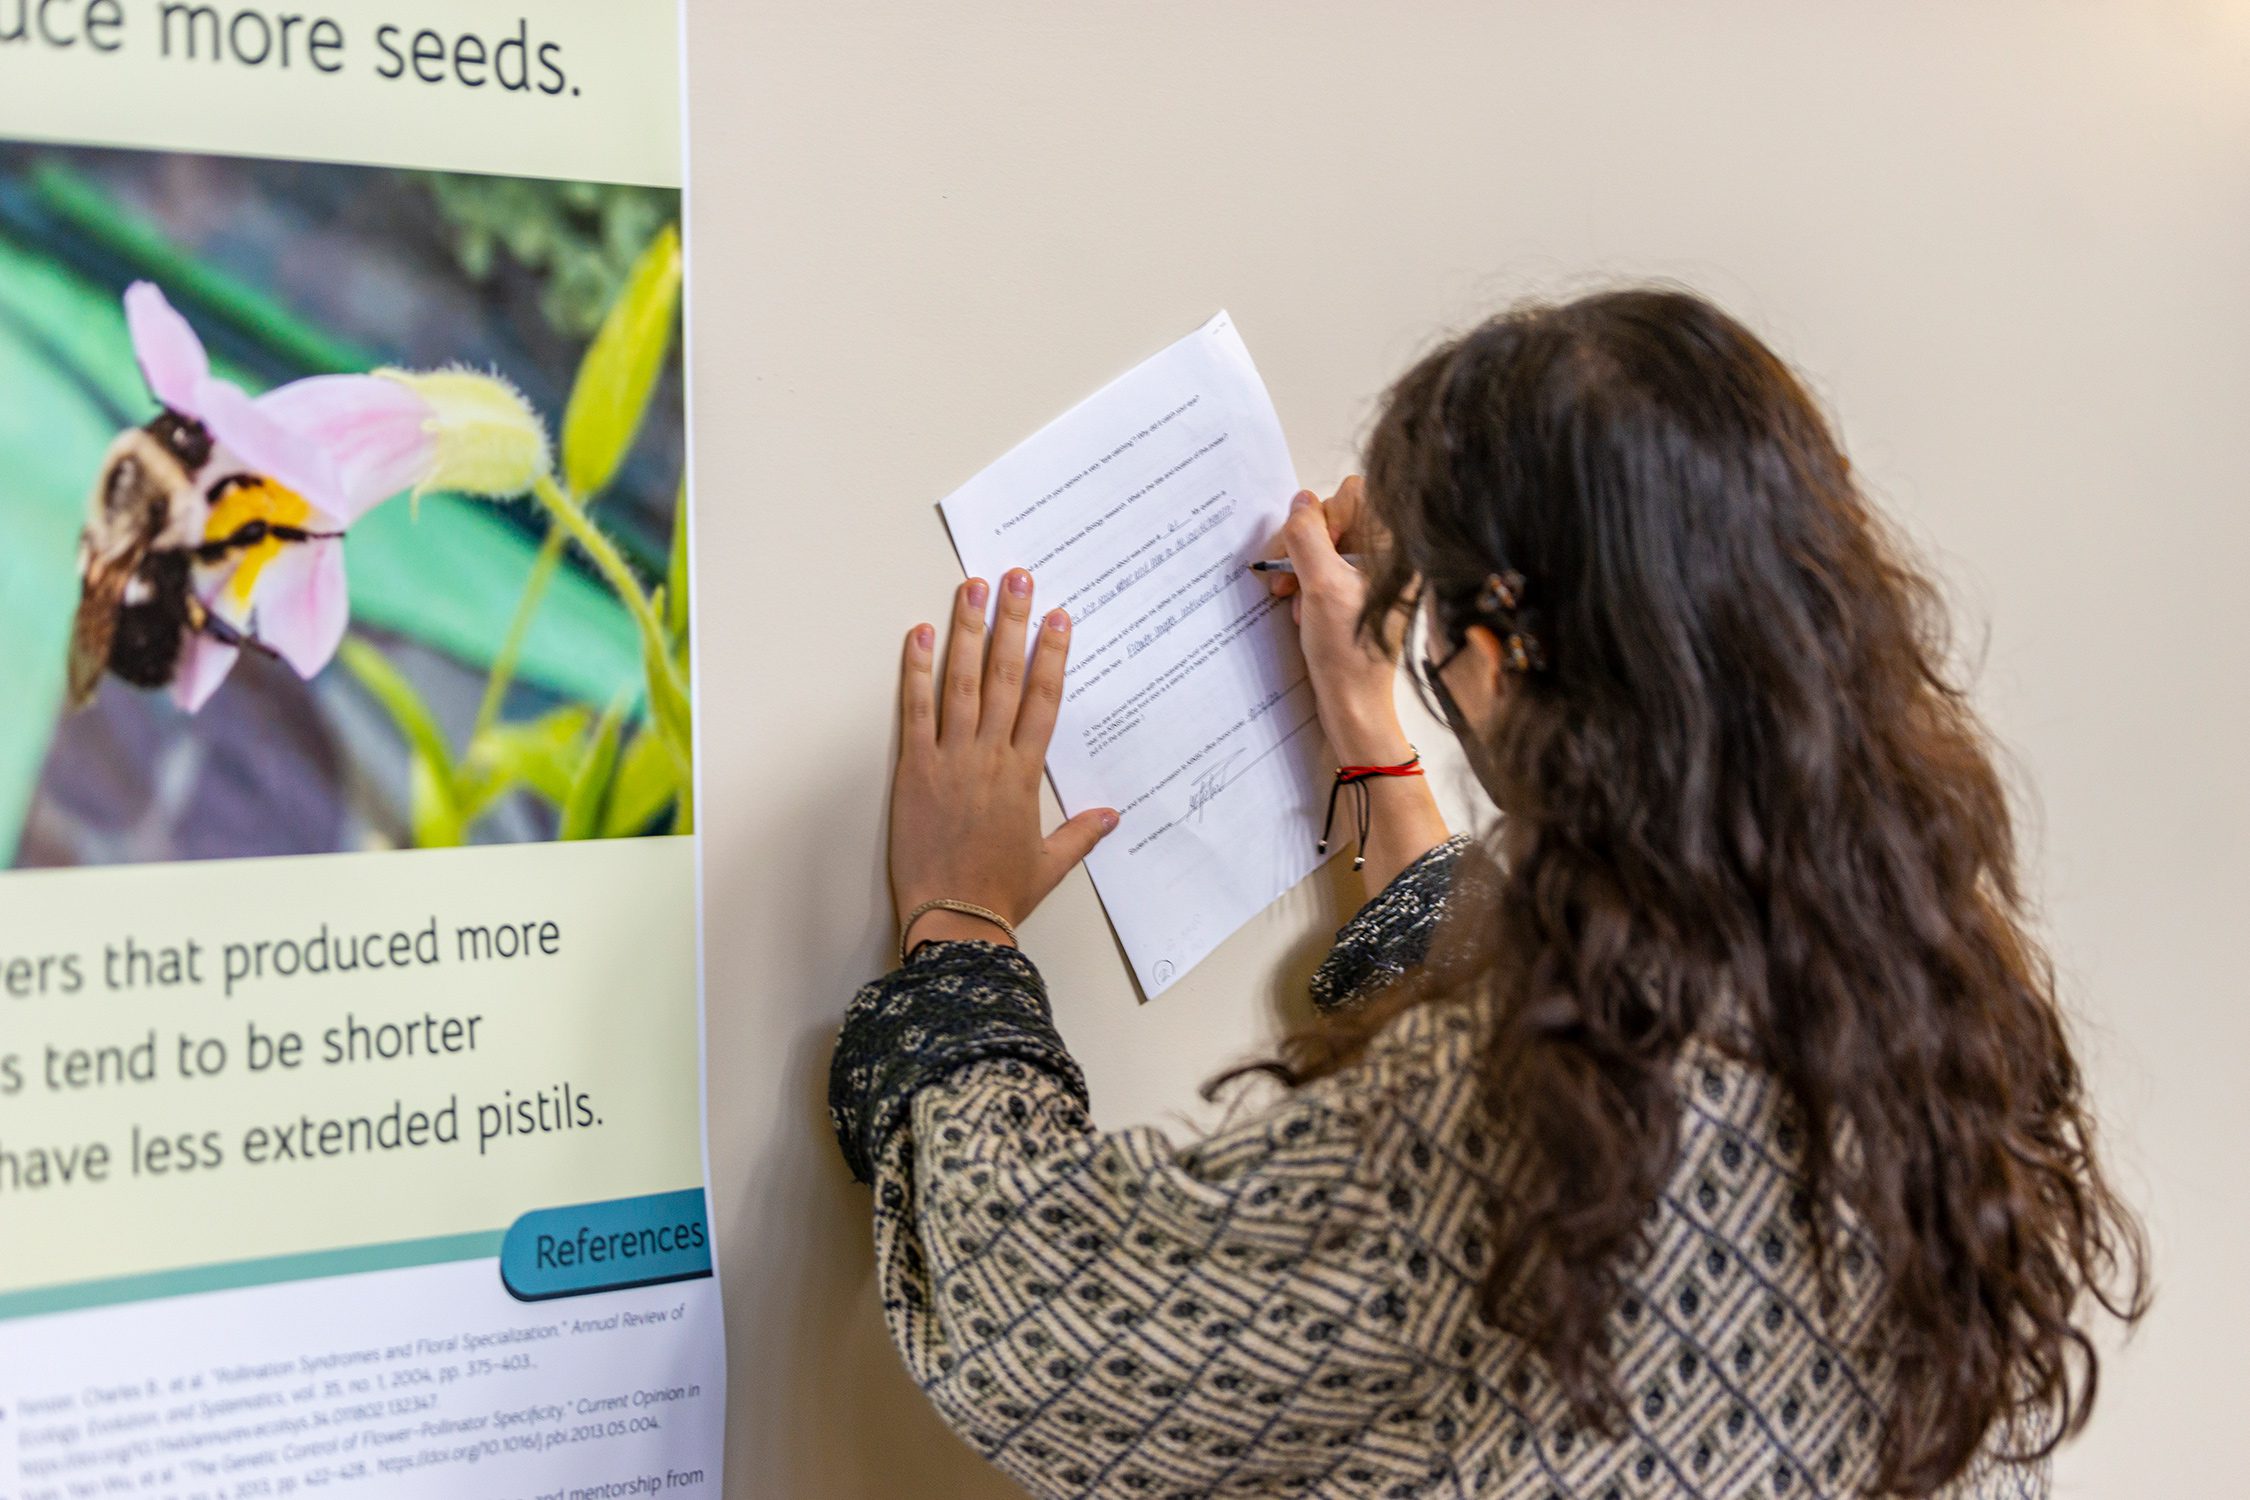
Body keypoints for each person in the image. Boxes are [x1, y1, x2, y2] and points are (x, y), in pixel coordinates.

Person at [828, 288, 2147, 1499]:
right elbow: (1557, 978)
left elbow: (1046, 1318)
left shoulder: (1510, 1115)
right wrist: (1369, 739)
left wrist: (961, 927)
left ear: (1505, 647)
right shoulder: (1918, 989)